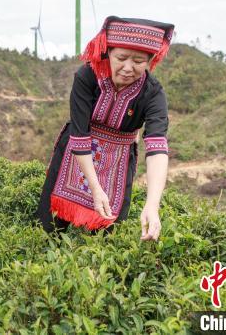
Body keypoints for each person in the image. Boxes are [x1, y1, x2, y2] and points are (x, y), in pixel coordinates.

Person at [37, 16, 174, 241]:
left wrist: (152, 205)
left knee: (107, 236)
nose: (128, 68)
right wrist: (95, 187)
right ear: (108, 52)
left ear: (150, 60)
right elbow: (80, 136)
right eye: (121, 58)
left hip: (118, 160)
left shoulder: (153, 93)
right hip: (77, 153)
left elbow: (157, 148)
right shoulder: (87, 76)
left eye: (139, 61)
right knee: (49, 227)